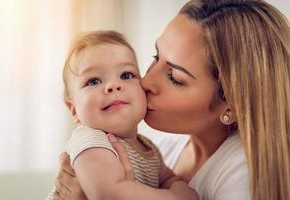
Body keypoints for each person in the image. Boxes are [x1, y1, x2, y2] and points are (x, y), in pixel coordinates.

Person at [53, 0, 290, 200]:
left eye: (174, 77)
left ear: (233, 104)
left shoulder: (243, 177)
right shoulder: (163, 147)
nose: (144, 82)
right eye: (156, 57)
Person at [48, 30, 198, 200]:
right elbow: (110, 194)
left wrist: (177, 186)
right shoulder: (91, 142)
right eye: (94, 81)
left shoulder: (148, 148)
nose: (113, 86)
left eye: (126, 75)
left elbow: (168, 179)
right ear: (74, 110)